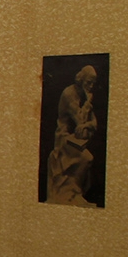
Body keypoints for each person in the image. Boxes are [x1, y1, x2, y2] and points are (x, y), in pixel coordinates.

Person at [45, 64, 100, 206]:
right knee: (87, 158)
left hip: (75, 140)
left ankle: (75, 193)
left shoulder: (83, 93)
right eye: (89, 82)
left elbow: (94, 123)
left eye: (93, 83)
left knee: (88, 158)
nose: (91, 86)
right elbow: (80, 119)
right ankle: (73, 192)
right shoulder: (69, 94)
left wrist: (86, 125)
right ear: (81, 79)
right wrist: (88, 104)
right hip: (64, 138)